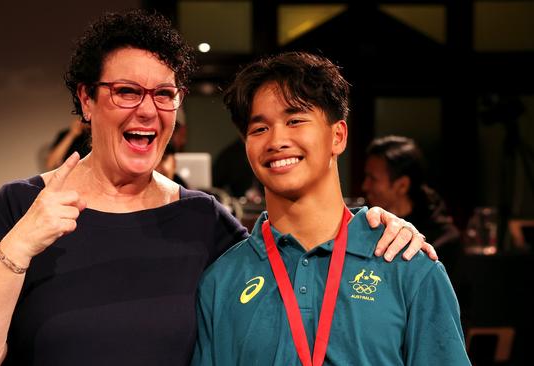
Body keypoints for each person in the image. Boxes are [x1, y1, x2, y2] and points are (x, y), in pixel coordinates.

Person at [0, 11, 435, 366]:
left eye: (164, 94)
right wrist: (22, 241)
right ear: (87, 100)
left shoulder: (202, 219)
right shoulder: (23, 205)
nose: (147, 110)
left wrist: (380, 224)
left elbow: (292, 255)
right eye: (127, 91)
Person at [192, 52, 469, 365]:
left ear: (338, 136)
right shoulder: (220, 282)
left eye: (295, 120)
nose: (276, 140)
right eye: (259, 129)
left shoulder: (407, 267)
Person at [363, 135, 462, 272]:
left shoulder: (444, 240)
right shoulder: (368, 225)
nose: (365, 186)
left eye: (373, 178)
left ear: (402, 185)